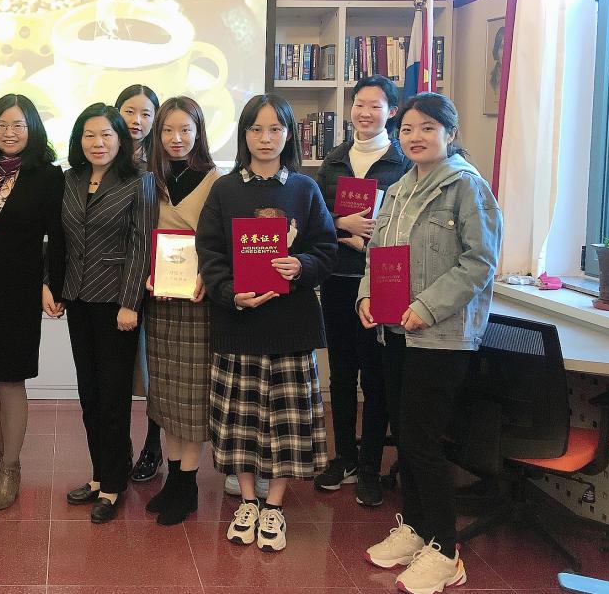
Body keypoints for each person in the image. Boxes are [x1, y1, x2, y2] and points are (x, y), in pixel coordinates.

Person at [358, 92, 501, 594]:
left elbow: (479, 263)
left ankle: (446, 551)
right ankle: (417, 529)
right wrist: (366, 295)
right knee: (405, 433)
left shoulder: (467, 187)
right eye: (407, 129)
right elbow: (378, 252)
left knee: (422, 441)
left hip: (441, 336)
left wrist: (428, 306)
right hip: (396, 330)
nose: (415, 137)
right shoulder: (399, 188)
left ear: (450, 134)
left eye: (427, 128)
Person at [196, 94, 336, 552]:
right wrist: (228, 292)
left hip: (290, 326)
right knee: (240, 419)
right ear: (244, 135)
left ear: (288, 135)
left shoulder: (305, 189)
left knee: (287, 422)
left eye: (275, 128)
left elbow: (326, 249)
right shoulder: (225, 190)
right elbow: (209, 252)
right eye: (256, 129)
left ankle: (274, 504)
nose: (265, 138)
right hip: (238, 323)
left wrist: (302, 265)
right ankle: (248, 500)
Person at [0, 94, 65, 511]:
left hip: (19, 287)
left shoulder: (48, 175)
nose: (9, 132)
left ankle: (11, 467)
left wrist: (49, 283)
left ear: (32, 129)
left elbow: (58, 236)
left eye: (18, 125)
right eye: (1, 125)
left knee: (10, 377)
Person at [314, 75, 411, 507]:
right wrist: (341, 225)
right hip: (337, 279)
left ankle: (370, 466)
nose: (365, 113)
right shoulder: (334, 160)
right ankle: (344, 459)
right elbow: (315, 218)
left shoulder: (403, 162)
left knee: (375, 377)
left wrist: (372, 238)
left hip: (382, 283)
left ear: (391, 111)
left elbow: (409, 222)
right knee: (340, 373)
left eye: (375, 105)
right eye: (359, 104)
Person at [61, 102, 157, 524]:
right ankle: (100, 474)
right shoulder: (71, 178)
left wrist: (130, 303)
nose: (97, 143)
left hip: (117, 304)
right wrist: (53, 285)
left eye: (106, 135)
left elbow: (141, 245)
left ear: (121, 139)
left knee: (113, 397)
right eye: (89, 135)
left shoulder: (139, 181)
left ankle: (114, 484)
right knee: (89, 394)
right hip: (78, 299)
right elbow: (60, 238)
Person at [141, 96, 221, 526]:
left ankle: (187, 485)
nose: (177, 138)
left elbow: (221, 242)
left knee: (192, 397)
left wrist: (207, 275)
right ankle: (173, 479)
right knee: (165, 395)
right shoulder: (150, 179)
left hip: (196, 302)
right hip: (159, 301)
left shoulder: (215, 180)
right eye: (168, 130)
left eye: (185, 130)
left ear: (198, 132)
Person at [115, 83, 165, 483]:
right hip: (110, 278)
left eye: (146, 114)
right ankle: (118, 450)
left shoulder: (164, 161)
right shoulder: (103, 153)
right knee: (118, 371)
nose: (137, 120)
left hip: (157, 278)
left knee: (153, 371)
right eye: (129, 111)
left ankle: (153, 444)